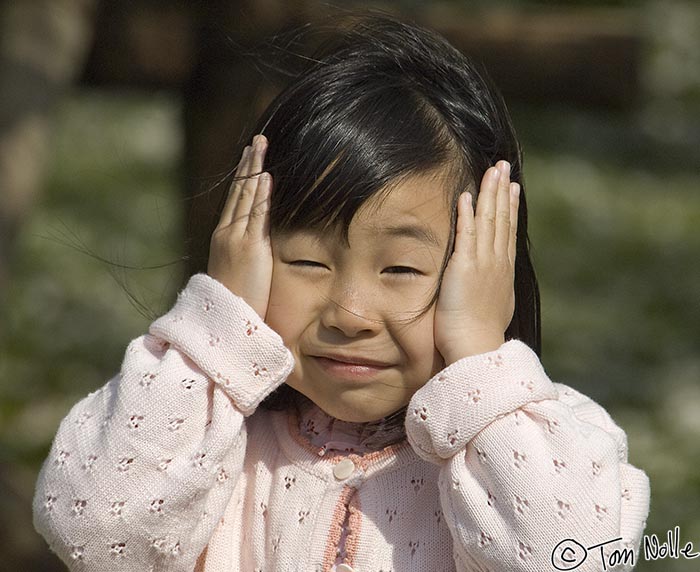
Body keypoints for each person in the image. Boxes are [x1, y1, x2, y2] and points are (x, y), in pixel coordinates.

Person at [33, 13, 650, 572]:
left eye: (402, 269)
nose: (350, 313)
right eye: (305, 259)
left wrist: (478, 360)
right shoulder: (201, 437)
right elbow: (92, 531)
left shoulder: (538, 443)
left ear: (486, 272)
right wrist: (215, 336)